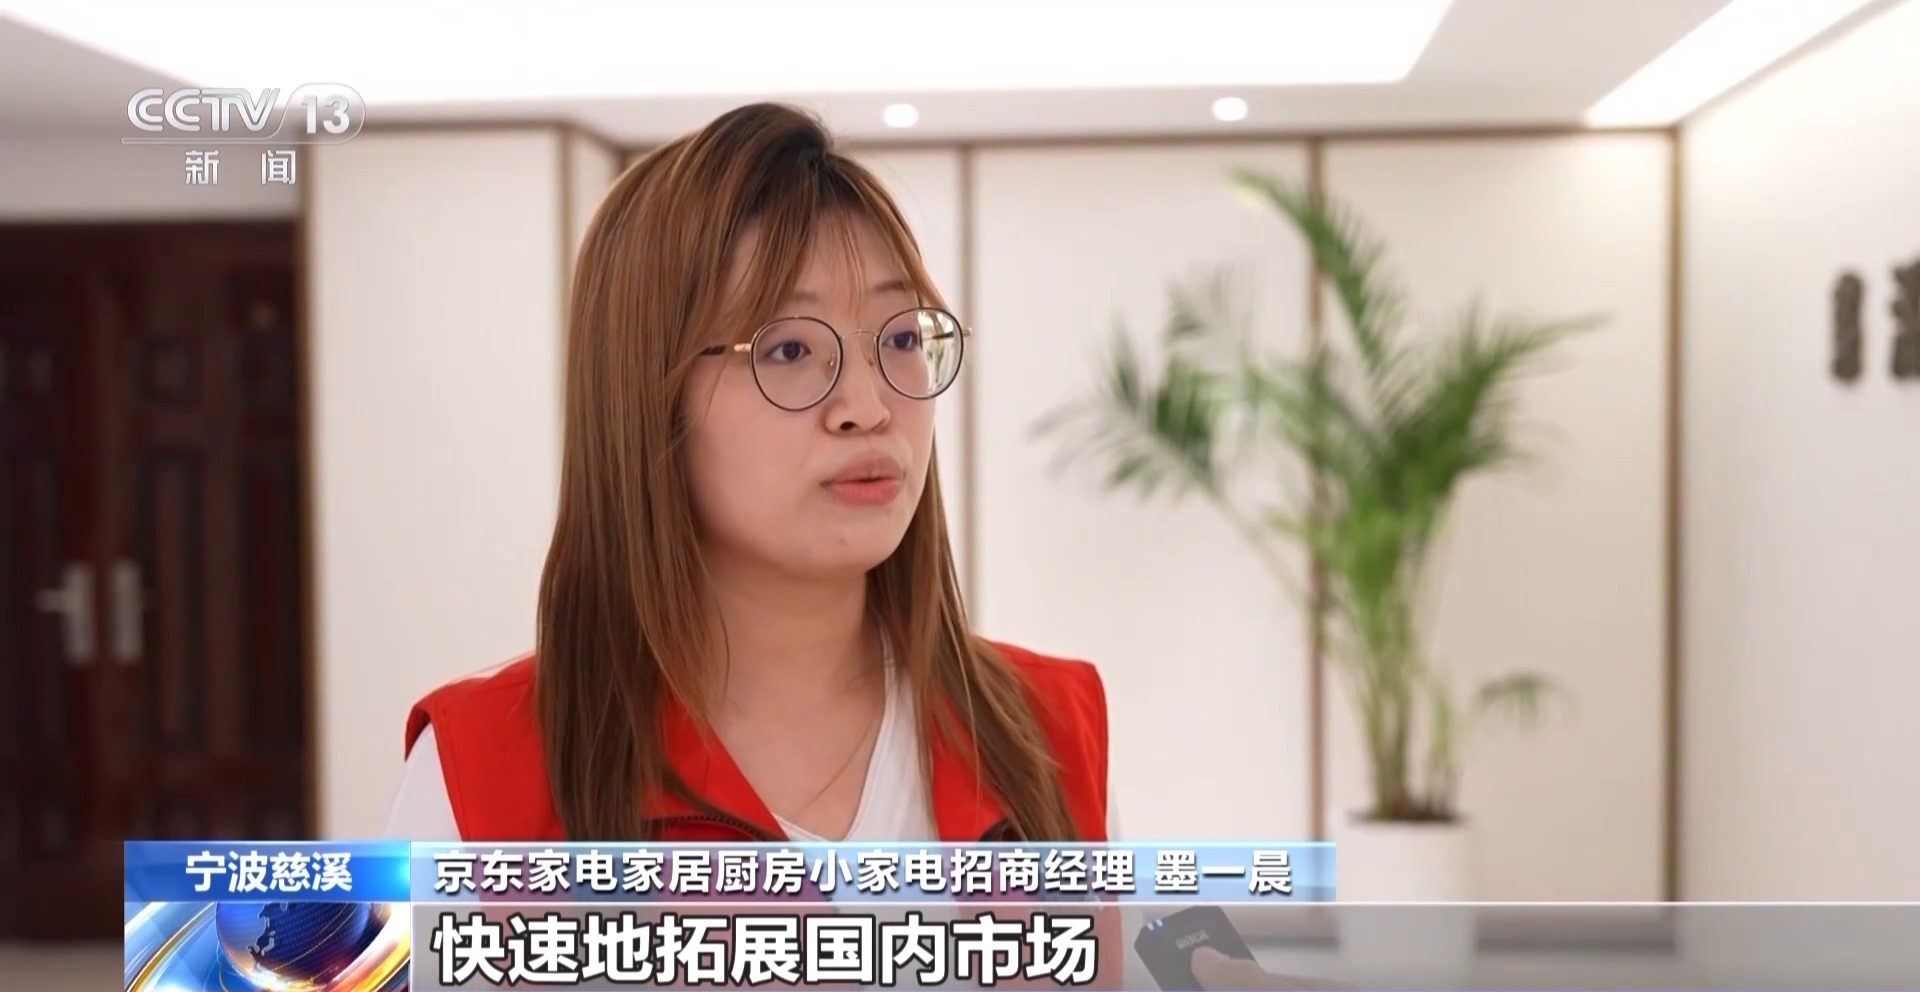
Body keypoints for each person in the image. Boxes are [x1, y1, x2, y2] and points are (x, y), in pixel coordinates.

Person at [385, 102, 1330, 991]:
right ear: (647, 399)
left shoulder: (1045, 731)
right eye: (791, 349)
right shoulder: (485, 775)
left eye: (900, 337)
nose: (870, 405)